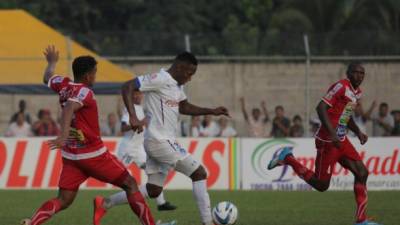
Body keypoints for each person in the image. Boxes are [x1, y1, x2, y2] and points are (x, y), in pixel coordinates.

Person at [20, 46, 174, 225]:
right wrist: (62, 135)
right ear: (87, 76)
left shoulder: (63, 85)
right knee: (131, 184)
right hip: (94, 155)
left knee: (63, 200)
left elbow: (47, 77)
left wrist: (52, 63)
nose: (95, 76)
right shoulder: (85, 92)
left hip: (72, 156)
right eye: (95, 73)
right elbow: (70, 107)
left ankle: (32, 223)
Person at [98, 52, 229, 225]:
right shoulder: (160, 78)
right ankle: (207, 222)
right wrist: (132, 116)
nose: (190, 79)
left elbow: (184, 107)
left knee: (153, 190)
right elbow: (128, 86)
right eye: (189, 74)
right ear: (180, 67)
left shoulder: (177, 86)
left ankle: (105, 203)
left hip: (162, 141)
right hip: (159, 141)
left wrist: (211, 111)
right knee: (199, 173)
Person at [268, 62, 381, 225]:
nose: (360, 76)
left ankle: (361, 220)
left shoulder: (357, 92)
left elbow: (345, 117)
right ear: (348, 73)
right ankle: (288, 159)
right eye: (356, 72)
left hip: (341, 140)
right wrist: (332, 133)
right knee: (322, 185)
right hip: (328, 140)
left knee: (362, 173)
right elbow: (320, 108)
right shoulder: (340, 87)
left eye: (362, 74)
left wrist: (357, 132)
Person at [94, 91, 177, 220]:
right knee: (122, 179)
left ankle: (161, 203)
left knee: (155, 171)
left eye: (140, 94)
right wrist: (140, 123)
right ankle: (104, 198)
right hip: (128, 149)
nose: (138, 96)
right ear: (132, 96)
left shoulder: (142, 109)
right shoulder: (130, 109)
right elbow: (123, 128)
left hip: (139, 149)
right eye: (135, 94)